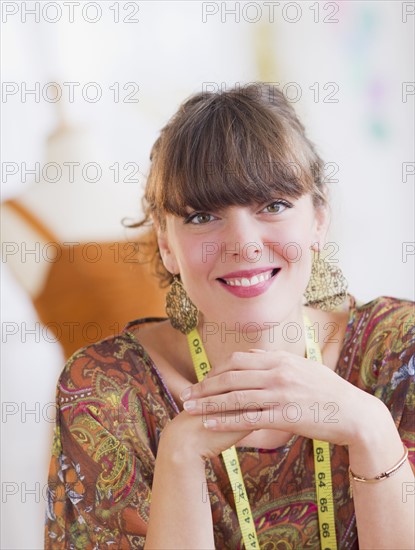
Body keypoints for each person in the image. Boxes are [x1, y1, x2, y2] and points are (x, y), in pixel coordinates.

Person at [45, 83, 414, 549]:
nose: (245, 244)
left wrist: (372, 430)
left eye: (274, 205)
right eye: (202, 216)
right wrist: (179, 457)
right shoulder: (105, 394)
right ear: (165, 244)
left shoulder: (401, 354)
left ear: (319, 220)